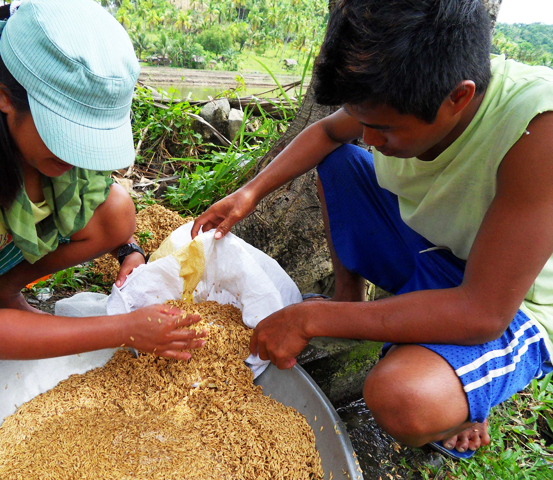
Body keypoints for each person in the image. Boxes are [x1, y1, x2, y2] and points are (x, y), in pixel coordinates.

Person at [192, 0, 553, 459]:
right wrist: (250, 192)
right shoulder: (400, 84)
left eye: (384, 129)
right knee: (341, 162)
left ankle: (463, 410)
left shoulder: (537, 126)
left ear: (458, 98)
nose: (370, 140)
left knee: (403, 400)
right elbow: (328, 134)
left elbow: (482, 312)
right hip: (432, 247)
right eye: (363, 121)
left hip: (508, 299)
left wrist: (310, 318)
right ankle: (349, 296)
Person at [0, 0, 207, 361]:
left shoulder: (35, 131)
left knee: (115, 212)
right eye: (66, 136)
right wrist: (125, 328)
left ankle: (2, 291)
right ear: (5, 95)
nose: (76, 157)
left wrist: (128, 250)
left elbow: (101, 203)